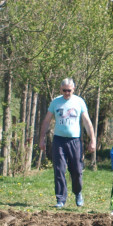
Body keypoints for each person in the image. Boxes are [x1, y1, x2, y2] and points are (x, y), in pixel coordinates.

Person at [38, 77, 97, 208]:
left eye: (69, 90)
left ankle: (78, 192)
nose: (66, 93)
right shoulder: (55, 102)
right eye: (64, 90)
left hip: (75, 141)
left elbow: (87, 122)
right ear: (60, 89)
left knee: (76, 170)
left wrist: (92, 140)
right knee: (59, 169)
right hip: (59, 140)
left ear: (73, 89)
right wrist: (41, 139)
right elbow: (47, 121)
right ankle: (60, 199)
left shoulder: (79, 102)